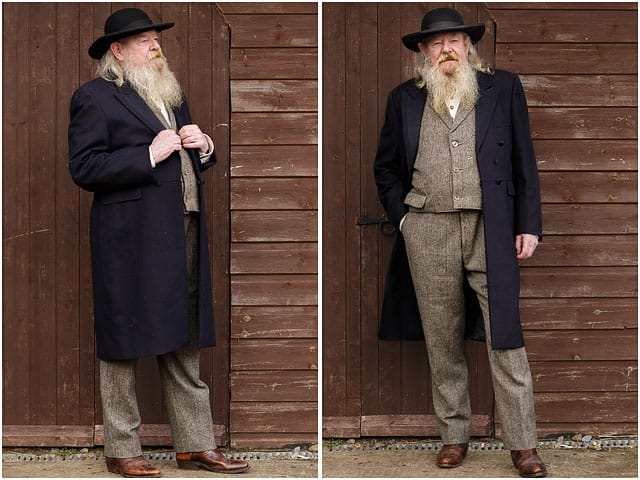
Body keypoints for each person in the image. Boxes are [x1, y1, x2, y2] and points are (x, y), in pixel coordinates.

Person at [68, 8, 249, 477]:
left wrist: (203, 144)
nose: (156, 47)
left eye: (156, 39)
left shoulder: (171, 92)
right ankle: (122, 448)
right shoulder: (94, 97)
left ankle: (195, 445)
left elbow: (190, 158)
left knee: (185, 336)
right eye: (145, 41)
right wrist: (148, 154)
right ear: (118, 50)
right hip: (128, 240)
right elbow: (84, 167)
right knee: (122, 341)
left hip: (181, 229)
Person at [373, 7, 547, 478]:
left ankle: (523, 443)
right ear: (422, 52)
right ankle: (454, 435)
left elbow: (524, 162)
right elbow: (386, 167)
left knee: (505, 336)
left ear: (469, 45)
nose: (446, 48)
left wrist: (528, 223)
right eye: (436, 43)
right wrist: (404, 218)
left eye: (454, 40)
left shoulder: (503, 88)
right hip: (428, 227)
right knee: (442, 336)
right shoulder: (403, 98)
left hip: (491, 224)